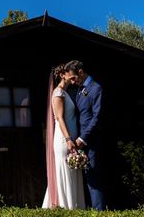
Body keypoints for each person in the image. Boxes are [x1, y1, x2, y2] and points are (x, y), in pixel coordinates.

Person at [41, 64, 86, 209]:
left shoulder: (66, 92)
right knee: (65, 170)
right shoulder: (58, 93)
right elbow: (59, 118)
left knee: (73, 170)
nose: (74, 80)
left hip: (71, 136)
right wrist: (68, 139)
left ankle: (75, 205)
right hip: (63, 139)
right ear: (63, 75)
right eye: (72, 77)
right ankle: (64, 206)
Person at [64, 59, 106, 210]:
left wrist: (83, 137)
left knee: (94, 178)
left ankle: (99, 211)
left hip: (91, 139)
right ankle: (92, 208)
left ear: (81, 72)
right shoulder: (81, 89)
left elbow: (97, 117)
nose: (73, 82)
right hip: (81, 139)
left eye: (74, 78)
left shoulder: (96, 88)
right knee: (88, 177)